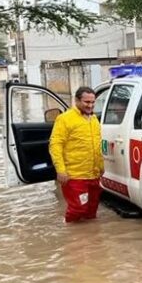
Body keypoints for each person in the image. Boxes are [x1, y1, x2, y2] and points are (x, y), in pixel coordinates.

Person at [49, 86, 105, 223]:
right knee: (77, 209)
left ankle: (90, 239)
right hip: (74, 175)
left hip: (93, 174)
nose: (90, 105)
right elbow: (55, 145)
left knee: (91, 211)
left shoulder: (94, 120)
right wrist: (60, 170)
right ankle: (71, 236)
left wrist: (101, 167)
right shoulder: (64, 119)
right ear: (76, 101)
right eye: (87, 102)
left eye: (93, 102)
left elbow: (96, 146)